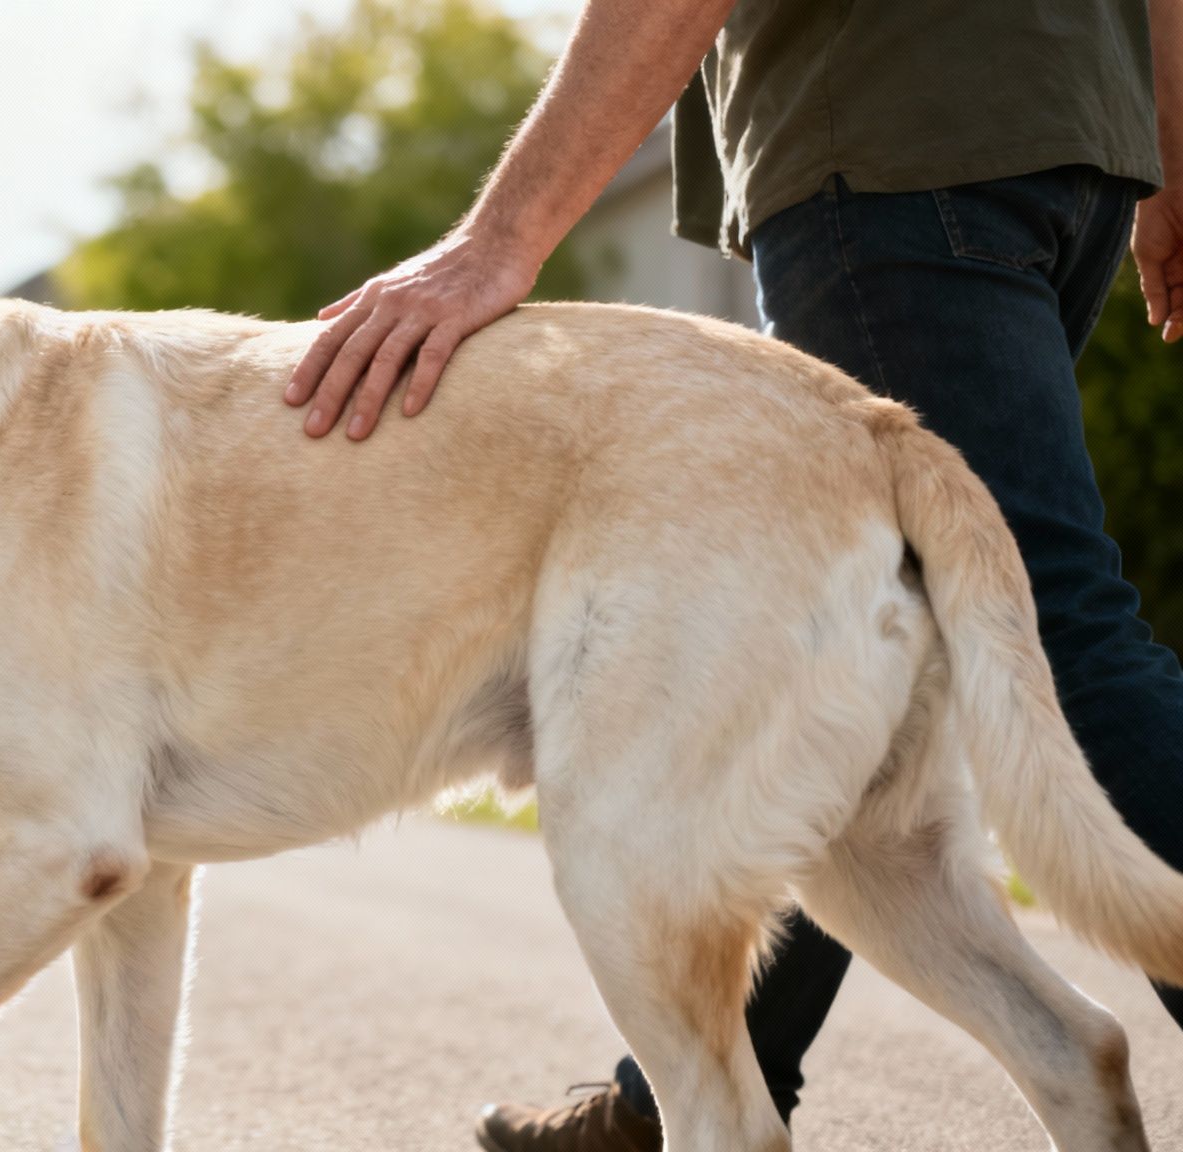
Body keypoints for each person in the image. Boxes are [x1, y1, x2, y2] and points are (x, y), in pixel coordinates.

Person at [284, 0, 1183, 1147]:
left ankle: (682, 1102)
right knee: (832, 630)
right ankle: (679, 1092)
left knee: (1052, 618)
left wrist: (496, 239)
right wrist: (1160, 154)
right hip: (1067, 145)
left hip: (892, 144)